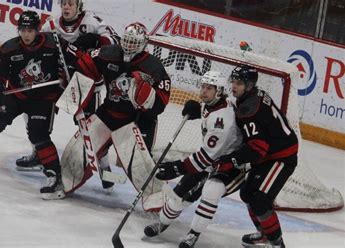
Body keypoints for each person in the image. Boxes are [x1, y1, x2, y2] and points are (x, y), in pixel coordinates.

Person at [0, 10, 74, 200]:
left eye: (30, 30)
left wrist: (67, 76)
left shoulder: (54, 43)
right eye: (23, 30)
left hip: (43, 98)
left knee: (38, 134)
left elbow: (73, 61)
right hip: (16, 94)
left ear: (38, 29)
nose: (26, 34)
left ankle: (54, 175)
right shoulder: (9, 48)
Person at [61, 22, 171, 206]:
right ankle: (65, 182)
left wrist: (146, 94)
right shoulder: (108, 53)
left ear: (143, 44)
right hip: (108, 112)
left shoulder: (153, 66)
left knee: (141, 168)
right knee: (75, 152)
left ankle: (159, 203)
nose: (129, 45)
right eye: (126, 41)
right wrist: (77, 98)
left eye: (134, 42)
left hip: (137, 120)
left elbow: (161, 103)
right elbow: (85, 67)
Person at [15, 0, 120, 177]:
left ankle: (104, 166)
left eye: (70, 4)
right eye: (63, 3)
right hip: (57, 82)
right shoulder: (51, 24)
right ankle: (39, 153)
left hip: (85, 84)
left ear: (78, 6)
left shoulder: (92, 22)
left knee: (92, 126)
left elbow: (115, 42)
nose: (66, 7)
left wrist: (96, 39)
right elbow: (36, 46)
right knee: (32, 114)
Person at [144, 71, 244, 248]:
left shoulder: (222, 120)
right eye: (203, 87)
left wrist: (177, 167)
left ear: (219, 91)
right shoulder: (215, 103)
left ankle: (193, 234)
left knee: (209, 194)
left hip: (226, 164)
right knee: (177, 195)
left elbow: (206, 157)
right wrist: (197, 110)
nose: (204, 91)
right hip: (211, 157)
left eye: (209, 88)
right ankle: (163, 222)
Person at [215, 65, 298, 247]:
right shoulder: (254, 96)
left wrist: (232, 160)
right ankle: (264, 234)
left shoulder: (249, 110)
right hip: (270, 153)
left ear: (250, 85)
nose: (233, 86)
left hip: (282, 157)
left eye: (239, 83)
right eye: (233, 82)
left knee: (260, 200)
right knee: (247, 193)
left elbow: (257, 149)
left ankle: (277, 243)